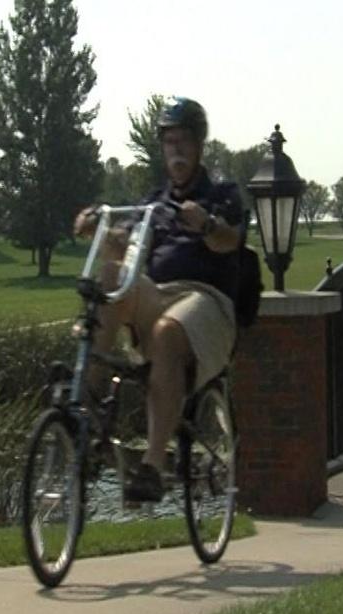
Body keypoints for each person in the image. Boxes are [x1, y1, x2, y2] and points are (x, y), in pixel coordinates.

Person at [73, 96, 244, 502]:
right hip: (157, 295)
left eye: (184, 141)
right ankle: (85, 406)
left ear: (200, 145)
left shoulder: (221, 195)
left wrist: (208, 224)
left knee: (169, 330)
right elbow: (124, 246)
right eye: (170, 143)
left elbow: (230, 241)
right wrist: (96, 228)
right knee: (113, 276)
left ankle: (151, 466)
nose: (177, 151)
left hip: (206, 301)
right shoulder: (153, 202)